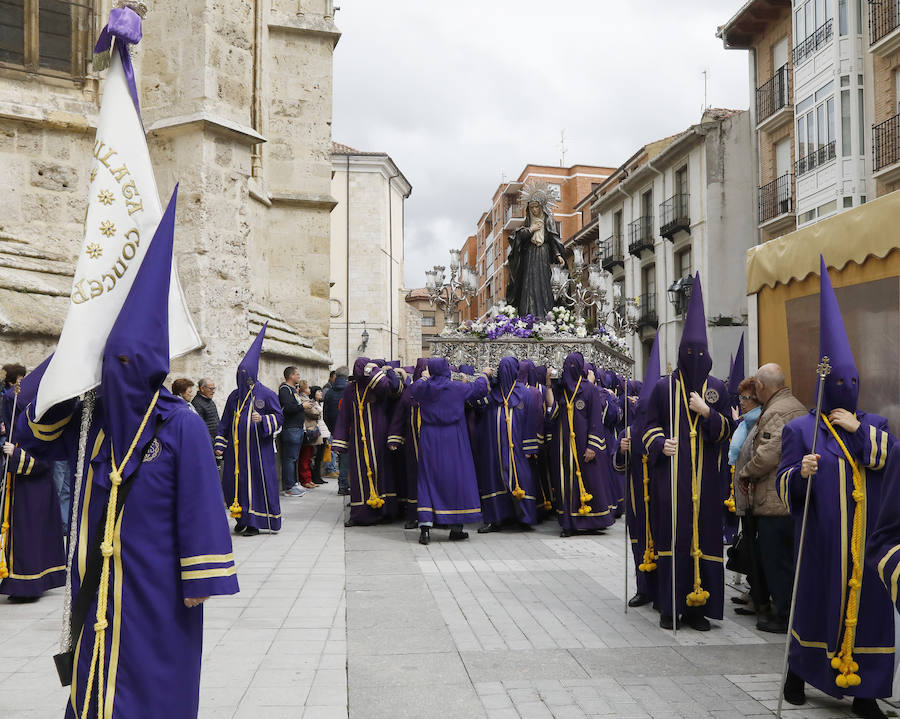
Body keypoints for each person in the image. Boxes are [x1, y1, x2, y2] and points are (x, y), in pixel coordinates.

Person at [16, 194, 238, 718]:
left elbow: (202, 505)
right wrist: (72, 350)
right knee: (96, 679)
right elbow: (32, 434)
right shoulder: (93, 421)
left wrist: (199, 578)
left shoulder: (179, 422)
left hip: (158, 583)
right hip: (97, 581)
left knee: (153, 682)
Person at [776, 258, 894, 719]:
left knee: (870, 613)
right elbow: (783, 487)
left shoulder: (874, 424)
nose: (848, 389)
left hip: (866, 547)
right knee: (814, 607)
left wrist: (856, 429)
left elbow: (890, 459)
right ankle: (796, 674)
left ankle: (866, 692)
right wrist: (799, 474)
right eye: (838, 383)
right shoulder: (802, 430)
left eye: (853, 382)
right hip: (820, 543)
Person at [642, 274, 734, 632]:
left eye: (700, 354)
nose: (694, 360)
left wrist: (708, 413)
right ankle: (670, 606)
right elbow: (646, 426)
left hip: (707, 481)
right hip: (672, 481)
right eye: (688, 354)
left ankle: (699, 609)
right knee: (674, 536)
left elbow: (728, 428)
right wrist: (659, 444)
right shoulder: (664, 389)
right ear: (681, 356)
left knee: (706, 537)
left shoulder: (716, 390)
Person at [737, 364, 807, 634]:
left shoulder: (778, 411)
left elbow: (768, 454)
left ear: (762, 387)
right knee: (782, 562)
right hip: (784, 498)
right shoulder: (791, 404)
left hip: (775, 500)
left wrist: (745, 472)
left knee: (778, 562)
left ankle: (785, 615)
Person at [0, 365, 65, 602]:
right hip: (18, 488)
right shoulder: (16, 426)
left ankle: (26, 584)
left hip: (34, 490)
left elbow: (44, 460)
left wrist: (15, 455)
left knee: (29, 534)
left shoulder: (39, 427)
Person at [409, 358, 492, 545]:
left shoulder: (424, 388)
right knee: (456, 479)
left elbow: (413, 388)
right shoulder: (457, 388)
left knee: (427, 480)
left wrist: (424, 378)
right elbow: (480, 388)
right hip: (454, 438)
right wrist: (484, 373)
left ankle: (425, 529)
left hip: (430, 437)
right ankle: (456, 529)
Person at [215, 324, 284, 536]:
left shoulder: (266, 394)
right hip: (235, 454)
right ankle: (241, 517)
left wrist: (263, 419)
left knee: (254, 485)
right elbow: (225, 421)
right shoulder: (234, 397)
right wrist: (219, 444)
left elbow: (279, 417)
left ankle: (254, 522)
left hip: (257, 452)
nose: (242, 379)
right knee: (234, 483)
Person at [547, 352, 619, 538]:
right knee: (566, 483)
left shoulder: (589, 389)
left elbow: (595, 418)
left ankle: (593, 520)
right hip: (565, 445)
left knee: (591, 481)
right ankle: (569, 523)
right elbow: (553, 411)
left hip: (583, 445)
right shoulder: (561, 389)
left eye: (573, 365)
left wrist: (592, 446)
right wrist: (550, 384)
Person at [615, 334, 660, 609]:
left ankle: (662, 589)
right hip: (635, 501)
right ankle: (643, 588)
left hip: (659, 499)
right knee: (638, 543)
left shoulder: (663, 433)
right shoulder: (628, 432)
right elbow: (619, 466)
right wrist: (621, 449)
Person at [472, 357, 542, 533]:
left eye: (507, 368)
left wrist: (529, 447)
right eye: (501, 369)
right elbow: (476, 402)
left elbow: (530, 421)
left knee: (521, 477)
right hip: (494, 446)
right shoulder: (493, 391)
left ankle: (525, 518)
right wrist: (485, 378)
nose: (504, 372)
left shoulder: (524, 393)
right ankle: (495, 519)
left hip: (517, 447)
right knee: (494, 479)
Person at [332, 358, 401, 526]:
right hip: (359, 440)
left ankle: (385, 511)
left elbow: (390, 387)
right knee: (360, 475)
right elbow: (344, 416)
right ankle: (361, 514)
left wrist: (375, 370)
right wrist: (339, 442)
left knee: (382, 471)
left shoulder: (376, 386)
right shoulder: (350, 390)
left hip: (379, 435)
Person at [727, 377, 768, 621]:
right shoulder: (746, 422)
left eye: (745, 398)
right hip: (744, 492)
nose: (741, 402)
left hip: (753, 493)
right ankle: (753, 592)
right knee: (750, 544)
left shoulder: (758, 421)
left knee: (756, 546)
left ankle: (758, 597)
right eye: (740, 398)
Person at [505, 182, 566, 319]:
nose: (534, 210)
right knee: (529, 283)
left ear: (541, 207)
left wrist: (557, 254)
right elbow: (518, 238)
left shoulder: (548, 221)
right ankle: (528, 313)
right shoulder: (528, 223)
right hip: (530, 255)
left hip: (543, 254)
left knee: (544, 283)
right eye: (531, 207)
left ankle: (545, 312)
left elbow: (552, 238)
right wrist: (530, 230)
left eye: (536, 207)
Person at [387, 359, 428, 528]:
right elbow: (399, 416)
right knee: (413, 478)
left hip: (433, 443)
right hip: (412, 443)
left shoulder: (436, 390)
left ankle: (433, 515)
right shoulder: (409, 392)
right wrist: (394, 437)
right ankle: (414, 515)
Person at [278, 366, 307, 497]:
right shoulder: (285, 390)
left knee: (294, 458)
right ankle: (289, 487)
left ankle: (294, 483)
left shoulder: (293, 390)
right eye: (297, 374)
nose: (299, 377)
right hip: (291, 428)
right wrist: (302, 406)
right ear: (291, 376)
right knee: (289, 458)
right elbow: (288, 408)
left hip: (298, 428)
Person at [323, 366, 350, 495]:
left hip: (335, 429)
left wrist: (332, 429)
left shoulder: (329, 392)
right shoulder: (350, 389)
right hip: (350, 429)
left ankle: (343, 485)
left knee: (343, 459)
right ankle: (346, 485)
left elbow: (325, 414)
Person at [297, 380, 320, 490]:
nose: (310, 390)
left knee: (309, 455)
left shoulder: (307, 400)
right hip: (308, 430)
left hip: (311, 429)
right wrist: (316, 410)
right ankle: (305, 479)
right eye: (308, 388)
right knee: (305, 457)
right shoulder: (302, 399)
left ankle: (308, 479)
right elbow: (315, 412)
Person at [309, 386, 330, 485]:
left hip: (324, 431)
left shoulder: (320, 403)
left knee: (320, 456)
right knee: (316, 456)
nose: (321, 393)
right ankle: (315, 477)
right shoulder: (312, 403)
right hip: (317, 432)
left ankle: (318, 476)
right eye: (318, 391)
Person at [191, 378, 220, 446]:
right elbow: (201, 428)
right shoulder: (197, 403)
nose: (213, 391)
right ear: (202, 389)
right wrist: (214, 444)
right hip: (208, 444)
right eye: (211, 389)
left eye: (214, 388)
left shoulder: (210, 401)